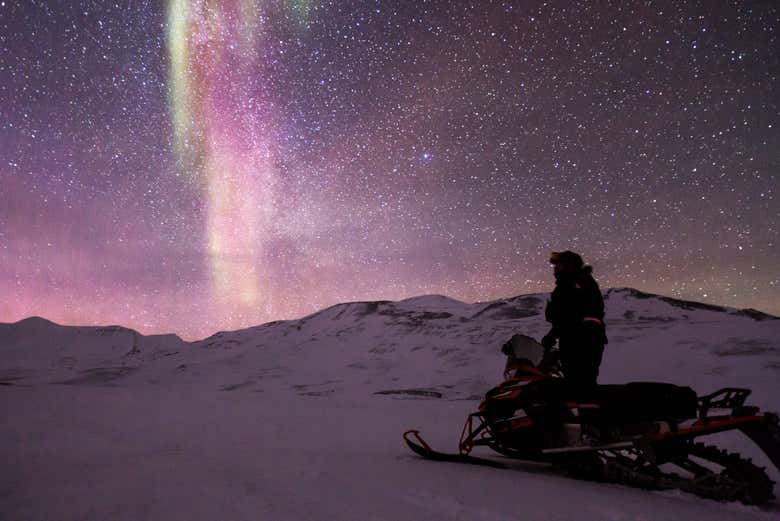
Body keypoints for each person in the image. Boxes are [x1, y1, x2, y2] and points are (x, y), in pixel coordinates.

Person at [541, 250, 607, 396]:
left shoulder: (581, 282)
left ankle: (588, 415)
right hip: (571, 339)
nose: (555, 269)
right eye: (555, 266)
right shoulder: (564, 286)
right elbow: (565, 318)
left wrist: (585, 331)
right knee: (572, 383)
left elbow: (588, 310)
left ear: (569, 266)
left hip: (584, 341)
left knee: (583, 383)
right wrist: (553, 334)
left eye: (559, 265)